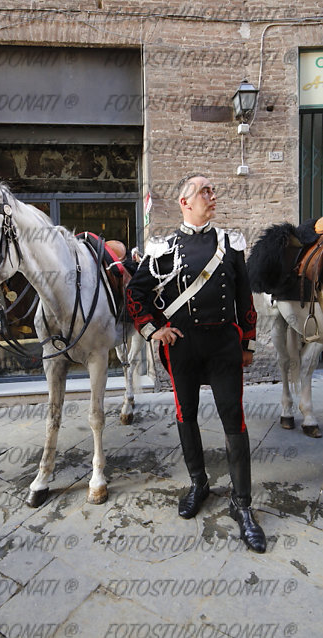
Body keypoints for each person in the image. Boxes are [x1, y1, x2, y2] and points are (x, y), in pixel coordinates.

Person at [126, 173, 266, 553]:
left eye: (212, 190)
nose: (212, 195)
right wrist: (154, 329)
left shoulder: (230, 243)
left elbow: (244, 298)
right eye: (204, 190)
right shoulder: (162, 248)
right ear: (185, 201)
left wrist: (248, 343)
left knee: (233, 419)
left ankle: (243, 505)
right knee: (186, 414)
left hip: (223, 346)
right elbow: (135, 292)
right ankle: (199, 484)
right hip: (183, 347)